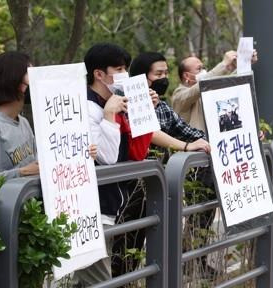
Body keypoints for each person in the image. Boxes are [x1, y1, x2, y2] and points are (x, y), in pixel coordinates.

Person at [74, 43, 210, 286]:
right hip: (94, 206)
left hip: (118, 201)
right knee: (101, 277)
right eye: (119, 69)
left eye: (126, 68)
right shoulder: (87, 107)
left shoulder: (119, 102)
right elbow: (108, 156)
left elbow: (143, 141)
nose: (124, 74)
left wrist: (146, 110)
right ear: (99, 74)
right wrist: (109, 116)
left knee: (107, 273)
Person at [0, 52, 39, 180]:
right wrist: (22, 172)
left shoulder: (23, 122)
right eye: (30, 75)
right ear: (14, 79)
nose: (35, 81)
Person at [129, 52, 206, 147]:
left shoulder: (163, 108)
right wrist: (186, 147)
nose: (164, 78)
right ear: (141, 77)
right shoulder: (128, 107)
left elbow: (187, 132)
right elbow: (149, 134)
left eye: (166, 73)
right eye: (158, 74)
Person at [172, 50, 257, 131]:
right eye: (199, 69)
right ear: (187, 75)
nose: (204, 71)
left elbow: (228, 83)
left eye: (204, 68)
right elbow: (202, 85)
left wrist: (245, 63)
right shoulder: (179, 95)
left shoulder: (207, 90)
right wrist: (224, 64)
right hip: (194, 145)